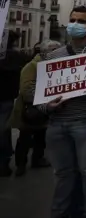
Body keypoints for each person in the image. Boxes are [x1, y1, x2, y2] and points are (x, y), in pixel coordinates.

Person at [34, 5, 86, 218]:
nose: (75, 25)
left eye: (81, 21)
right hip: (57, 124)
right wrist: (46, 106)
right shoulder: (54, 55)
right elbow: (38, 91)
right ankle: (59, 213)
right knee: (62, 174)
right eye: (72, 20)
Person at [10, 39, 61, 177]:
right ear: (44, 52)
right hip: (30, 109)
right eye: (53, 51)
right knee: (25, 138)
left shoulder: (53, 65)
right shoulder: (32, 66)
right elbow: (27, 90)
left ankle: (37, 159)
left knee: (41, 137)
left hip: (44, 110)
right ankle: (21, 164)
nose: (57, 53)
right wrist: (45, 99)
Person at [0, 30, 31, 177]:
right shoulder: (19, 56)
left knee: (3, 130)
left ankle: (4, 160)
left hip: (5, 96)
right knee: (3, 129)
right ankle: (4, 161)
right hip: (8, 96)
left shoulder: (10, 56)